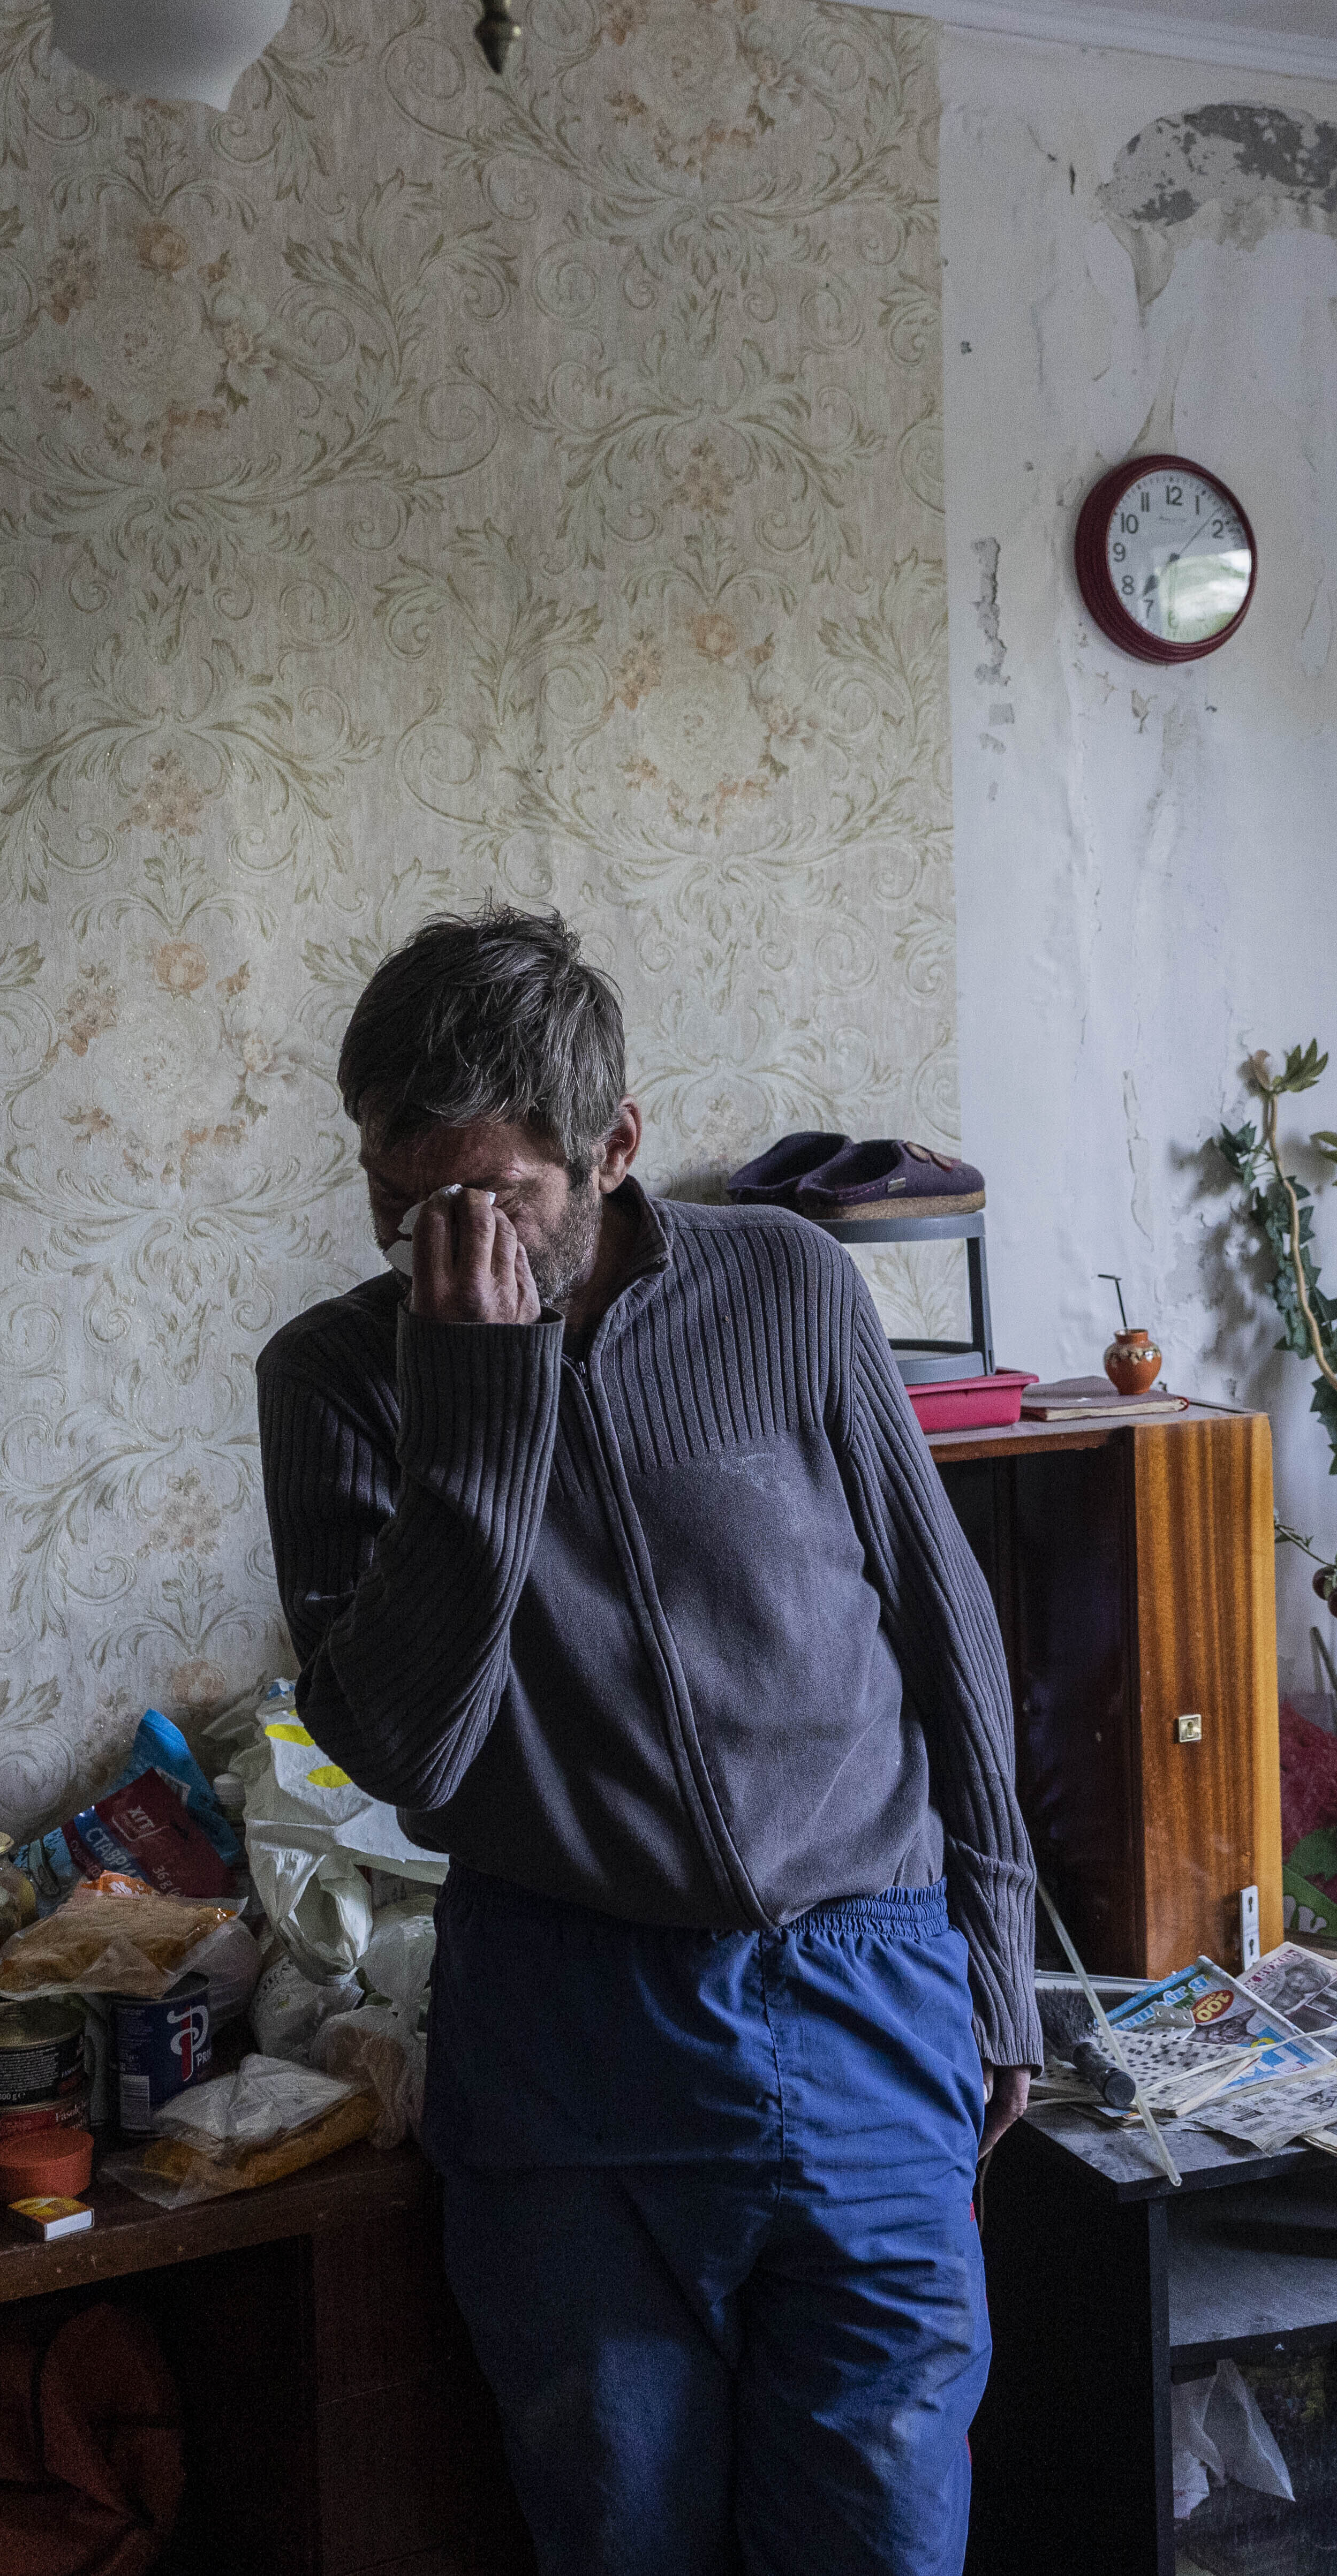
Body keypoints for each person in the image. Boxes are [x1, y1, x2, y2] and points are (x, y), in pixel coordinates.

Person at [255, 906, 1041, 2576]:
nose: (433, 1247)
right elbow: (408, 1743)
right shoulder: (334, 1379)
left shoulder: (789, 1285)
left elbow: (941, 1617)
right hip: (566, 2036)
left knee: (884, 2541)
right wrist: (476, 1402)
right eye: (398, 1203)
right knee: (624, 2543)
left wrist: (1000, 1953)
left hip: (868, 1986)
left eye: (487, 1201)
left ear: (611, 1148)